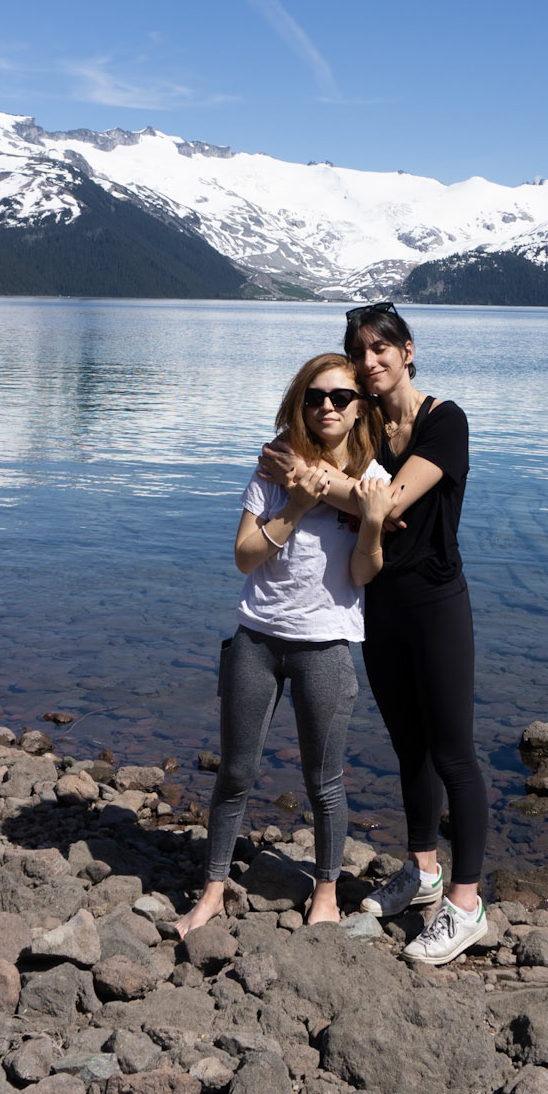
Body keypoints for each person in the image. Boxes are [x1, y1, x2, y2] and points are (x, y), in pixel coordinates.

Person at [260, 301, 489, 966]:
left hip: (436, 605)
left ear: (407, 351)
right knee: (408, 748)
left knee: (453, 753)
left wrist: (312, 482)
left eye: (380, 348)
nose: (369, 362)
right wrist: (310, 473)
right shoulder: (362, 430)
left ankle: (466, 905)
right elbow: (297, 453)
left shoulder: (444, 421)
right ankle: (424, 871)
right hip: (377, 605)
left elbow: (387, 504)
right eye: (358, 351)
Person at [178, 353, 390, 936]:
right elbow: (244, 556)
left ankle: (326, 893)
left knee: (325, 782)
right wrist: (296, 505)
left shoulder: (371, 480)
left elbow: (364, 573)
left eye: (341, 398)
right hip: (257, 639)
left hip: (326, 646)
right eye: (314, 397)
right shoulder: (274, 469)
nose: (327, 407)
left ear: (359, 409)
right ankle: (212, 891)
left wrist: (372, 523)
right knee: (235, 774)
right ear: (301, 403)